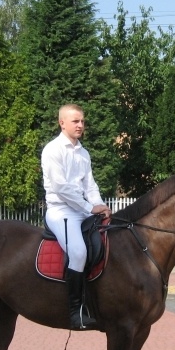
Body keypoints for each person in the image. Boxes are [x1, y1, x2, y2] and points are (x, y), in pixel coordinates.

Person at [41, 104, 111, 330]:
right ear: (62, 123)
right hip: (61, 211)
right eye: (75, 121)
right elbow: (61, 188)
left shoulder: (83, 153)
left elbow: (90, 185)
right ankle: (75, 313)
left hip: (82, 210)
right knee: (79, 252)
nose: (81, 125)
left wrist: (99, 205)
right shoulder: (53, 150)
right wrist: (89, 208)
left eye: (82, 121)